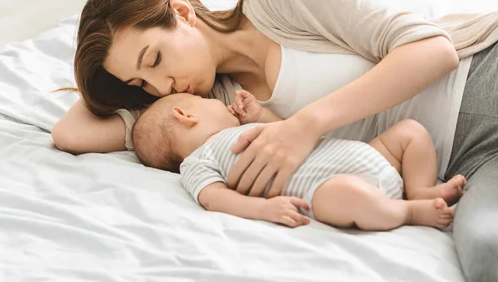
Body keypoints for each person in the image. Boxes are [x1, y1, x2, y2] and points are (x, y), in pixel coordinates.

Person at [52, 0, 498, 282]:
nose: (161, 88)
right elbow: (70, 133)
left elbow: (432, 51)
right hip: (476, 157)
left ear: (183, 13)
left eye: (153, 60)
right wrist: (111, 75)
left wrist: (304, 125)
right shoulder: (209, 112)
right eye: (142, 86)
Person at [130, 89, 466, 230]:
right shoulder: (197, 162)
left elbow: (288, 133)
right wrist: (263, 209)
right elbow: (215, 199)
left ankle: (420, 188)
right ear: (184, 114)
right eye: (205, 99)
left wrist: (260, 114)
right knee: (341, 195)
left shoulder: (251, 127)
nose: (218, 101)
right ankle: (408, 211)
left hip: (369, 155)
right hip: (333, 187)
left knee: (410, 132)